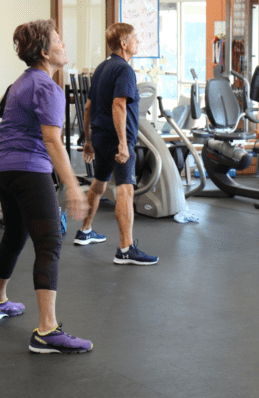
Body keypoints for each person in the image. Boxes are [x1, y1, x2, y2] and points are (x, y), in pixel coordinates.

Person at [0, 20, 92, 353]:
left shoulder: (20, 83)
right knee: (49, 243)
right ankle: (46, 331)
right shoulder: (46, 87)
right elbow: (52, 139)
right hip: (28, 171)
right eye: (57, 40)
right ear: (43, 51)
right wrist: (73, 187)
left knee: (14, 236)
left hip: (6, 170)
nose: (63, 44)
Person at [78, 23, 158, 265]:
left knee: (99, 184)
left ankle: (85, 230)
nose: (137, 41)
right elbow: (118, 105)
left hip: (101, 137)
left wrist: (88, 141)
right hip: (117, 140)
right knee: (125, 188)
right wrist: (124, 143)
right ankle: (126, 248)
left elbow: (88, 107)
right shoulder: (125, 70)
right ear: (123, 43)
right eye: (134, 37)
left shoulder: (101, 68)